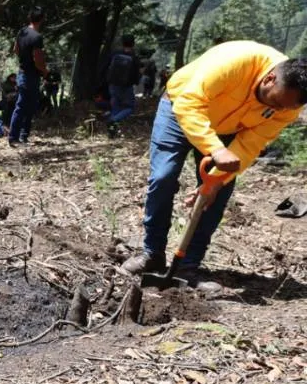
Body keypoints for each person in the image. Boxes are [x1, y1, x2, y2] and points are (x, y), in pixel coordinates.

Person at [121, 41, 307, 286]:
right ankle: (152, 254)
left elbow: (251, 144)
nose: (276, 110)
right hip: (180, 108)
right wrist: (215, 148)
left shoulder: (288, 106)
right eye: (275, 102)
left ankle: (187, 267)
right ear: (269, 79)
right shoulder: (234, 62)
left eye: (284, 108)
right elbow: (190, 103)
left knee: (217, 194)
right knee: (163, 177)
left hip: (230, 128)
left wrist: (216, 181)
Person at [8, 7, 48, 147]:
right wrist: (44, 71)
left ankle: (23, 136)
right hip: (31, 75)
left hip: (22, 72)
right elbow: (38, 59)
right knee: (23, 106)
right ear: (41, 19)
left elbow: (15, 49)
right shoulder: (37, 37)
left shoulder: (22, 32)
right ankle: (14, 138)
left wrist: (24, 60)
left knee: (29, 106)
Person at [103, 34, 142, 133]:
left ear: (122, 43)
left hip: (112, 84)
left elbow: (106, 66)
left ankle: (112, 132)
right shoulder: (134, 57)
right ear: (133, 43)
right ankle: (113, 121)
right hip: (126, 86)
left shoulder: (115, 53)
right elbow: (136, 74)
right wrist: (136, 82)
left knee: (115, 107)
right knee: (130, 107)